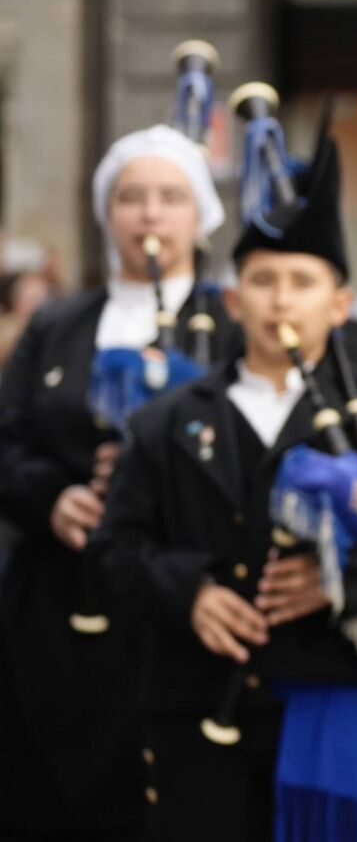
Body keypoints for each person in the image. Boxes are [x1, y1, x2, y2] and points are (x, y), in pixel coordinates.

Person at [93, 128, 357, 840]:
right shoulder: (166, 418)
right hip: (195, 712)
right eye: (263, 280)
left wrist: (343, 578)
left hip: (335, 698)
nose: (281, 301)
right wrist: (192, 591)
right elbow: (115, 550)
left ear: (340, 304)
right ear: (231, 298)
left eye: (302, 282)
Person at [0, 125, 231, 839]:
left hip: (185, 600)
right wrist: (51, 497)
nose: (151, 215)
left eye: (170, 197)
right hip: (58, 606)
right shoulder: (61, 322)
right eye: (132, 197)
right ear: (108, 214)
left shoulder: (229, 322)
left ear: (199, 215)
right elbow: (6, 437)